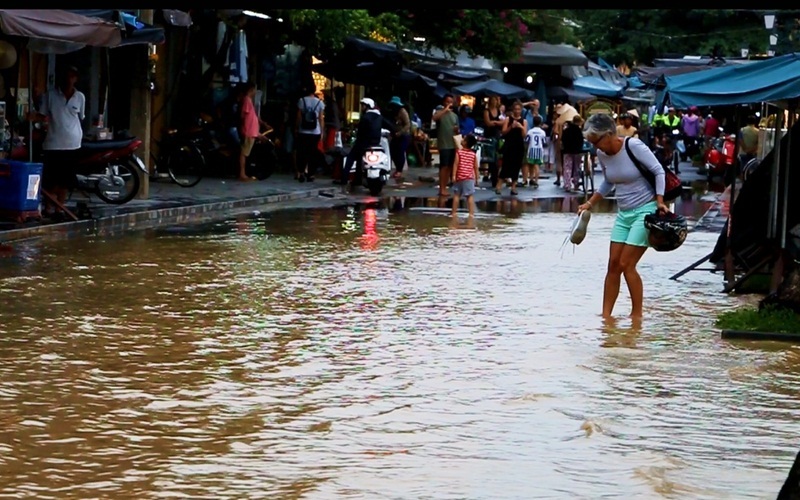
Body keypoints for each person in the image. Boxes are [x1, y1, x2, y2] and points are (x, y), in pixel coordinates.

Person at [577, 113, 668, 319]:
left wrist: (660, 201)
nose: (595, 147)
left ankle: (636, 316)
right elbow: (608, 182)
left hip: (646, 209)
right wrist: (590, 203)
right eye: (591, 143)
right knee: (613, 265)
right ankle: (606, 317)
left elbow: (658, 171)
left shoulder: (633, 146)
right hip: (624, 213)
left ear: (609, 134)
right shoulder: (602, 154)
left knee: (627, 264)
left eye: (596, 141)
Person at [31, 66, 86, 220]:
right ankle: (49, 206)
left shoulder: (80, 97)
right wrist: (32, 116)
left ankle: (59, 208)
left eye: (72, 76)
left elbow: (80, 117)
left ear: (76, 79)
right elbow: (42, 115)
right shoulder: (51, 96)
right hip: (53, 143)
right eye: (67, 76)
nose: (69, 80)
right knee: (51, 179)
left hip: (73, 143)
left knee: (65, 180)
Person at [340, 97, 382, 187]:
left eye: (363, 106)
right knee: (359, 159)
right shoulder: (379, 116)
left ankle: (344, 178)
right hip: (376, 143)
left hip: (363, 143)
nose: (362, 108)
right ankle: (357, 179)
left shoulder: (365, 117)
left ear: (367, 106)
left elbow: (360, 133)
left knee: (350, 158)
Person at [238, 82, 270, 182]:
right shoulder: (247, 100)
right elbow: (243, 115)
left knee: (246, 153)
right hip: (249, 131)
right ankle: (242, 174)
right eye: (254, 90)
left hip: (252, 131)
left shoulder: (250, 101)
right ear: (251, 90)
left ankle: (244, 173)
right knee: (244, 153)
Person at [495, 100, 526, 196]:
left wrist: (521, 127)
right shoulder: (508, 119)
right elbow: (503, 132)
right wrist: (511, 127)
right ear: (513, 110)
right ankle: (498, 186)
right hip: (509, 144)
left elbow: (524, 135)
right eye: (515, 109)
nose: (517, 111)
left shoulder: (524, 121)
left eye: (519, 109)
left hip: (519, 145)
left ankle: (513, 187)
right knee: (506, 165)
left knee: (516, 166)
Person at [295, 85, 324, 182]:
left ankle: (301, 172)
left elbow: (299, 116)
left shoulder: (301, 100)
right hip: (315, 131)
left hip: (303, 130)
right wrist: (322, 131)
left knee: (302, 152)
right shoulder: (319, 102)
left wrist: (297, 127)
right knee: (313, 152)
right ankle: (311, 174)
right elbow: (320, 118)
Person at [432, 94, 459, 196]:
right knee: (443, 166)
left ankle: (445, 187)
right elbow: (434, 118)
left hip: (452, 143)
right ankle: (441, 188)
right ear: (444, 102)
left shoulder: (455, 116)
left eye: (451, 102)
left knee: (449, 167)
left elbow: (457, 130)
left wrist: (457, 130)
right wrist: (445, 110)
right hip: (444, 143)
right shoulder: (440, 113)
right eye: (447, 102)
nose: (449, 104)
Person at [451, 134, 479, 218]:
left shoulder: (459, 153)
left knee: (456, 195)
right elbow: (475, 167)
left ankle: (454, 212)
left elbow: (455, 164)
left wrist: (453, 175)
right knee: (469, 196)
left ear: (465, 143)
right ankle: (471, 213)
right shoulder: (473, 155)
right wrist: (477, 179)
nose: (462, 139)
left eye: (464, 139)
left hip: (459, 177)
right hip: (469, 178)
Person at [561, 114, 585, 193]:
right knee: (576, 168)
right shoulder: (579, 131)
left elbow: (563, 140)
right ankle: (576, 183)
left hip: (567, 151)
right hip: (577, 151)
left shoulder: (566, 130)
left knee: (567, 167)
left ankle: (567, 185)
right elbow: (581, 141)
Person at [388, 96, 411, 179]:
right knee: (393, 151)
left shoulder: (402, 112)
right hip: (395, 134)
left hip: (404, 135)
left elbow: (408, 124)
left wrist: (400, 132)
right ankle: (397, 168)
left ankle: (399, 170)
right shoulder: (393, 113)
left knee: (400, 152)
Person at [525, 114, 547, 188]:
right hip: (539, 150)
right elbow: (544, 143)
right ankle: (536, 180)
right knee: (537, 166)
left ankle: (531, 179)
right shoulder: (542, 132)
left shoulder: (530, 131)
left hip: (531, 149)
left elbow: (526, 140)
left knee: (531, 165)